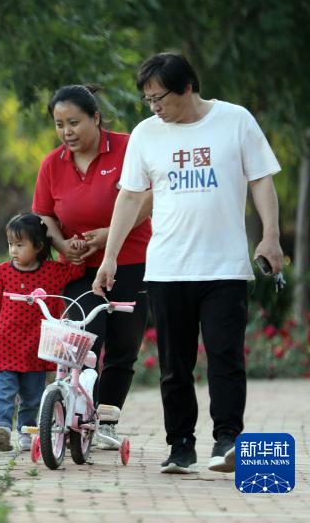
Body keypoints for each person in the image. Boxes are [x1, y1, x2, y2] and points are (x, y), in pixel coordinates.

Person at [93, 53, 283, 475]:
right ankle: (180, 445)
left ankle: (227, 441)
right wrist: (109, 257)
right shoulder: (146, 134)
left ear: (187, 88)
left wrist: (270, 235)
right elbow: (129, 197)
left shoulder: (235, 120)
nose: (154, 107)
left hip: (224, 268)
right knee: (173, 365)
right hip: (166, 269)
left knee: (225, 356)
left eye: (159, 97)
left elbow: (261, 178)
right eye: (147, 100)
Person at [33, 85, 153, 450]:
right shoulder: (53, 164)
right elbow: (43, 213)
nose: (66, 132)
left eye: (74, 122)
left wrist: (109, 236)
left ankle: (107, 419)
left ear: (96, 118)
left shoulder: (129, 146)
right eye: (59, 124)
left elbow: (149, 196)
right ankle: (74, 412)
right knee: (82, 340)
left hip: (132, 262)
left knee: (122, 346)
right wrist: (60, 243)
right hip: (80, 270)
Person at [0, 213, 85, 452]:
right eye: (10, 245)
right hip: (5, 341)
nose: (14, 250)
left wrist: (75, 245)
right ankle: (2, 427)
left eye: (20, 245)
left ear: (39, 246)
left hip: (36, 344)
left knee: (33, 395)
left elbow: (76, 271)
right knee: (3, 389)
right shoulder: (3, 271)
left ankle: (27, 432)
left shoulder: (52, 272)